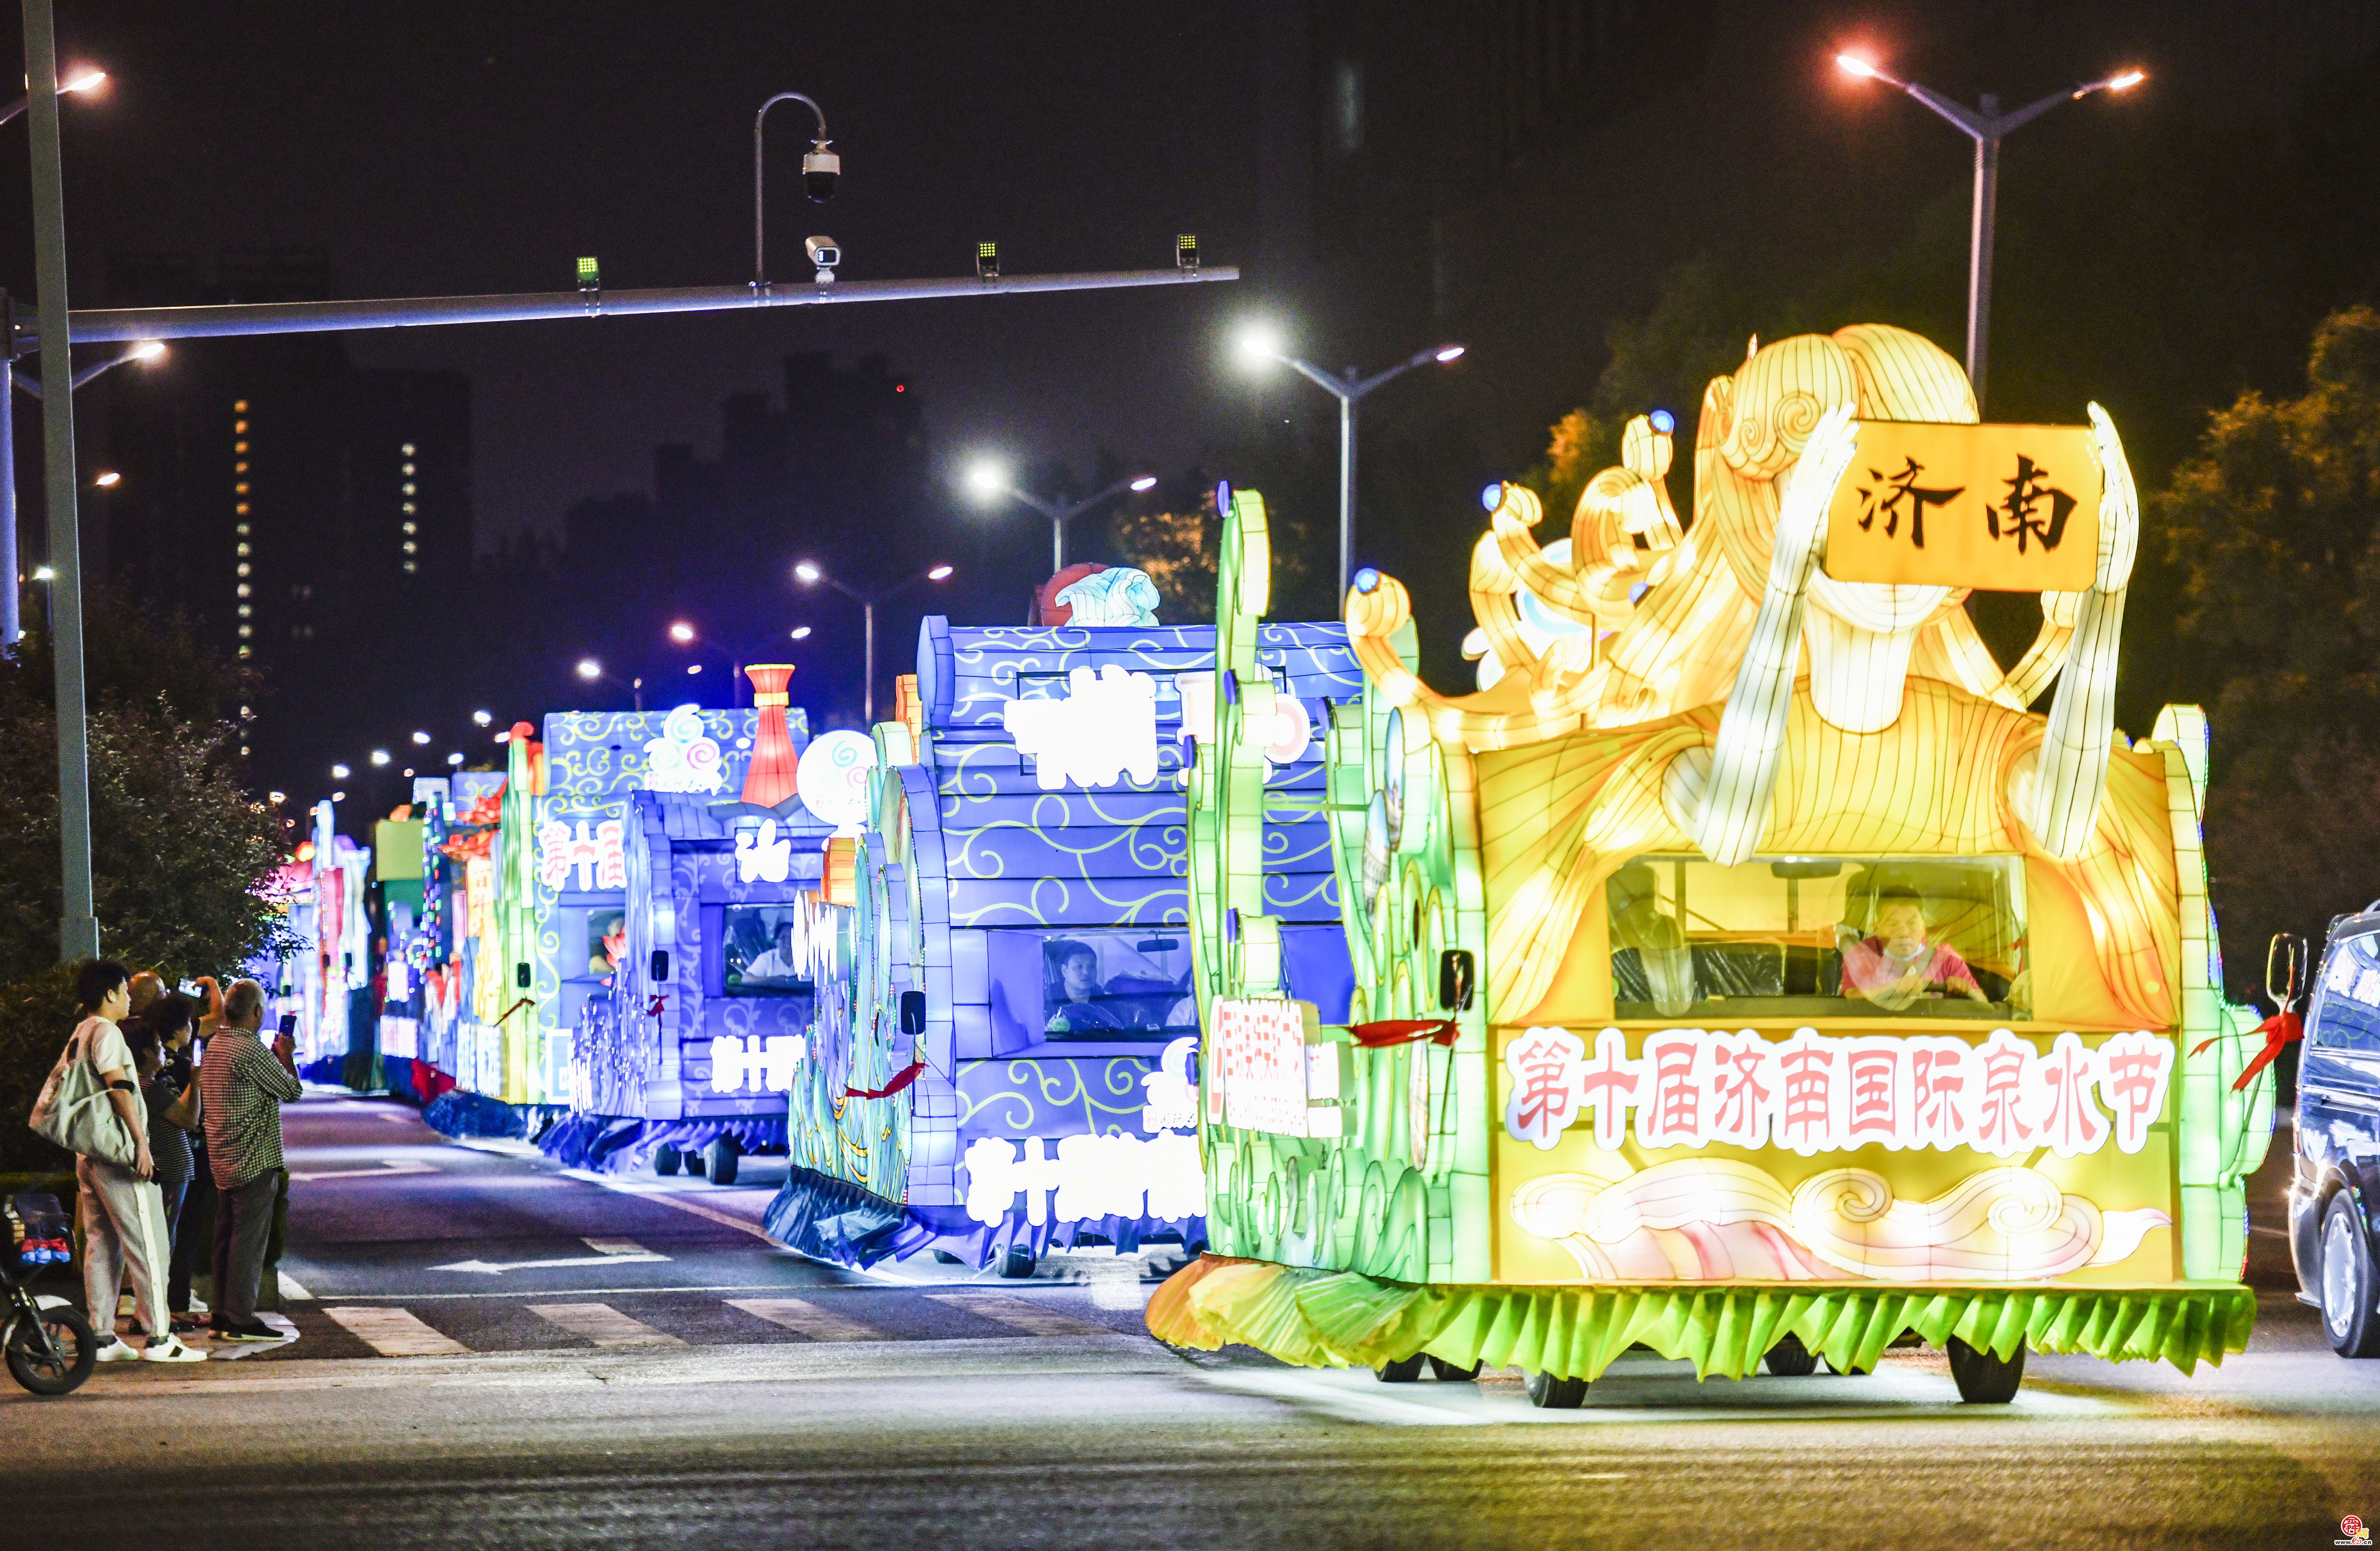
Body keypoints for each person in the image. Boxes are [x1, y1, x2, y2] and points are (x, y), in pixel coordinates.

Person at [68, 959, 205, 1364]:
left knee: (102, 1245)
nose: (130, 999)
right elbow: (121, 1086)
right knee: (150, 1243)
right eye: (125, 991)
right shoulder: (108, 1032)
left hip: (90, 1152)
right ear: (110, 994)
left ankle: (101, 1335)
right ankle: (160, 1337)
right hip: (118, 1154)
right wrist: (142, 1143)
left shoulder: (81, 1032)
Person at [199, 978, 301, 1342]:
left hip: (223, 1155)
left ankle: (221, 1313)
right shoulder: (250, 1049)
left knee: (225, 1239)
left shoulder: (215, 1045)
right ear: (257, 1012)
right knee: (248, 1242)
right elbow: (292, 1090)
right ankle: (240, 1318)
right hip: (254, 1158)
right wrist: (286, 1054)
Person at [133, 992, 206, 1333]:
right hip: (171, 1169)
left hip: (172, 1168)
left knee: (166, 1239)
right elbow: (189, 1119)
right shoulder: (152, 1086)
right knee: (164, 1242)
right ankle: (156, 1315)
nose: (164, 1052)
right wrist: (196, 1079)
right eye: (158, 1048)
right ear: (148, 1054)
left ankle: (157, 1312)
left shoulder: (145, 1085)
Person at [1840, 889, 1989, 1009]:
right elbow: (1852, 996)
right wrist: (1894, 988)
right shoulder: (1862, 954)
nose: (1904, 933)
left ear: (1924, 926)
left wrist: (1966, 989)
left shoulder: (1946, 957)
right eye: (1893, 925)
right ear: (1877, 929)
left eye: (1912, 924)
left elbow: (1983, 1003)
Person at [1043, 940, 1125, 1035]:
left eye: (1091, 967)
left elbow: (1120, 1034)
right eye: (1079, 967)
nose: (1086, 972)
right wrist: (1048, 1034)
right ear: (1065, 971)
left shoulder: (1105, 1002)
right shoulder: (1047, 998)